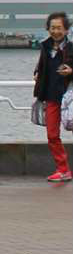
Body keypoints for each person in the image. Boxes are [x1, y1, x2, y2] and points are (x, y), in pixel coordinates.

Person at [31, 12, 73, 183]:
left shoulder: (71, 48)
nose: (56, 31)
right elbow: (41, 66)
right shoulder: (45, 47)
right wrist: (37, 74)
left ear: (67, 30)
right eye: (52, 28)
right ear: (48, 29)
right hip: (51, 96)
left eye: (59, 28)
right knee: (52, 135)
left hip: (70, 97)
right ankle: (63, 170)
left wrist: (71, 71)